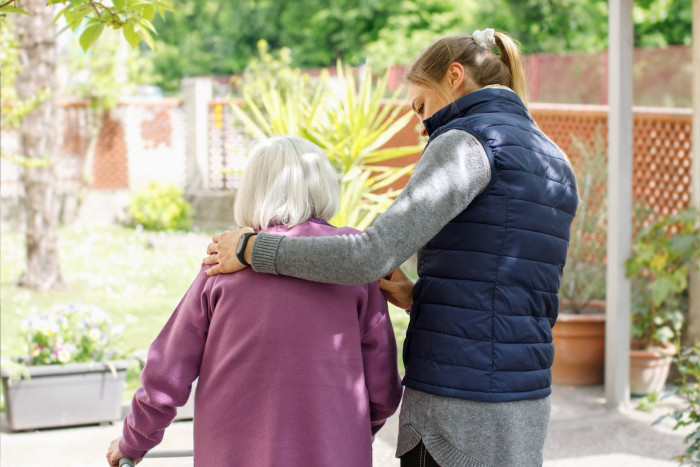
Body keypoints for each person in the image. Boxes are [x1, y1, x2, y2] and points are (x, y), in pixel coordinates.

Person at [204, 29, 578, 467]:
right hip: (525, 402)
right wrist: (418, 296)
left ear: (454, 76)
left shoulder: (465, 144)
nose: (421, 125)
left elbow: (368, 256)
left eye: (421, 106)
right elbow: (509, 287)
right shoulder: (553, 159)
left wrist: (254, 249)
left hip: (453, 410)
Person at [106, 136, 402, 467]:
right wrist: (352, 431)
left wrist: (135, 441)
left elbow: (168, 368)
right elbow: (382, 387)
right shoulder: (352, 260)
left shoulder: (224, 264)